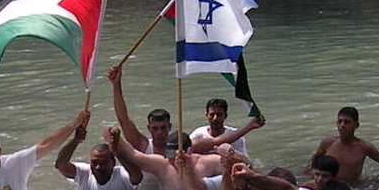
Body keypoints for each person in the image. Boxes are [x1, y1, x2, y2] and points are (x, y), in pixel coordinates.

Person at [108, 66, 264, 156]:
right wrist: (116, 84)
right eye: (155, 128)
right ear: (149, 129)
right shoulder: (142, 145)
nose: (160, 132)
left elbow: (219, 140)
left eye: (163, 127)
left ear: (170, 127)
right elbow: (123, 118)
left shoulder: (184, 147)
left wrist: (249, 127)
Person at [110, 129, 228, 190]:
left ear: (190, 150)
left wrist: (229, 154)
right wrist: (117, 138)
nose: (173, 157)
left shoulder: (208, 162)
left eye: (176, 152)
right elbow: (133, 154)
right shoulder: (161, 165)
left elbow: (235, 169)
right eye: (169, 153)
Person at [54, 118, 142, 190]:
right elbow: (60, 165)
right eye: (94, 162)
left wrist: (117, 152)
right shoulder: (84, 172)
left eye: (103, 163)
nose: (98, 167)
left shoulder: (122, 174)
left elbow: (137, 177)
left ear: (113, 162)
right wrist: (76, 140)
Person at [304, 106, 379, 183]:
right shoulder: (328, 142)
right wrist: (311, 174)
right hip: (330, 185)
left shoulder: (364, 147)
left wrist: (378, 180)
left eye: (347, 122)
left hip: (354, 186)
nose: (342, 125)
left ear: (356, 125)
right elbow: (315, 159)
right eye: (339, 121)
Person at [189, 98, 265, 156]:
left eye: (219, 115)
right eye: (212, 114)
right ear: (206, 115)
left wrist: (231, 154)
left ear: (225, 116)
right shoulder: (197, 134)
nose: (215, 118)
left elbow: (245, 161)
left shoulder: (237, 136)